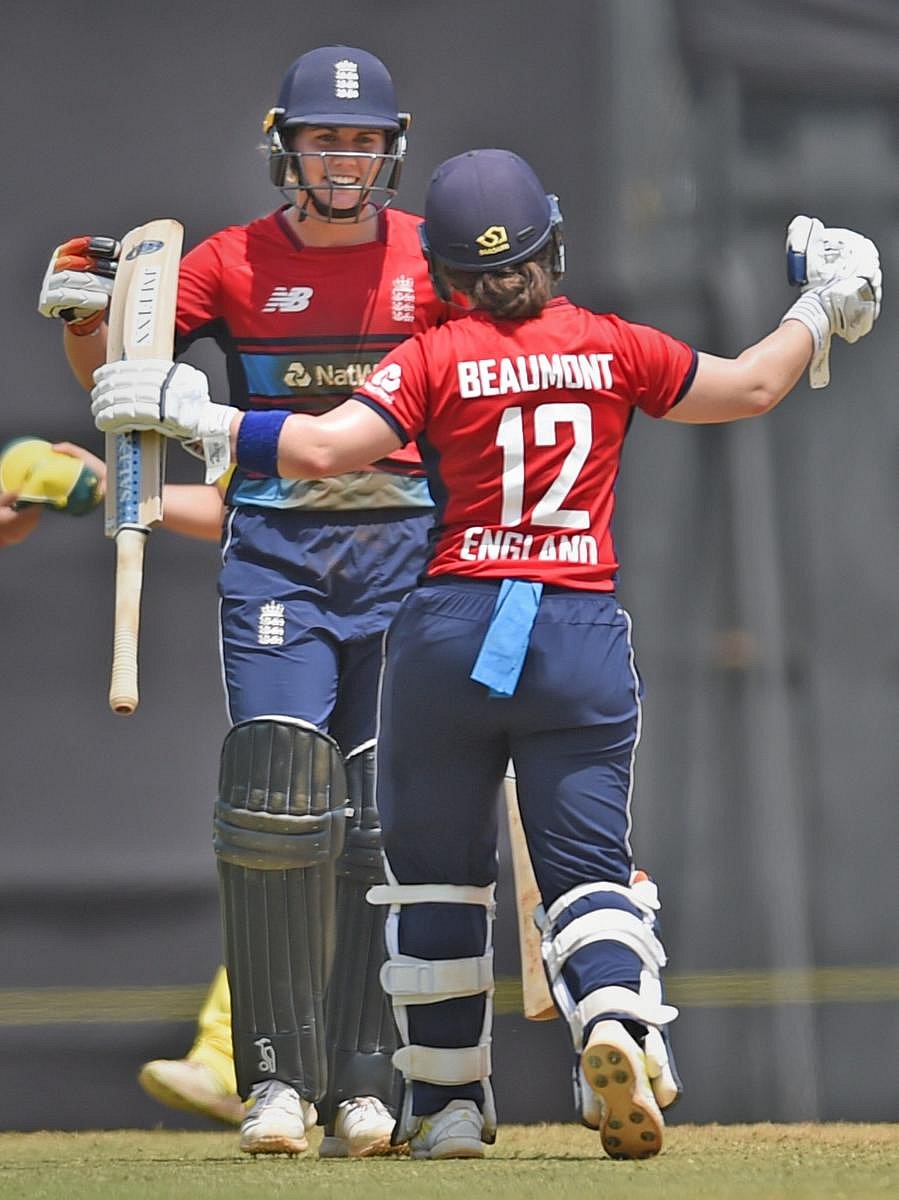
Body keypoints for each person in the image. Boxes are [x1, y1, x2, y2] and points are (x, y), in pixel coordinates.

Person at [90, 145, 881, 1160]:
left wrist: (195, 414)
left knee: (435, 880)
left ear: (447, 276)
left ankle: (448, 1106)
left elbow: (324, 452)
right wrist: (821, 305)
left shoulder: (429, 356)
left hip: (450, 633)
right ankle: (611, 1018)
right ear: (551, 244)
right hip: (577, 634)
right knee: (588, 874)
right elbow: (751, 387)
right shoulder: (609, 343)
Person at [39, 46, 453, 1157]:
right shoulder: (232, 262)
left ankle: (369, 1083)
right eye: (324, 138)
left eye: (362, 141)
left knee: (380, 818)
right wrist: (87, 314)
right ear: (286, 147)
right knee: (275, 797)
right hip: (279, 562)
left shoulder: (431, 259)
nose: (343, 159)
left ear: (390, 151)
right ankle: (273, 1081)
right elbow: (119, 381)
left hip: (404, 563)